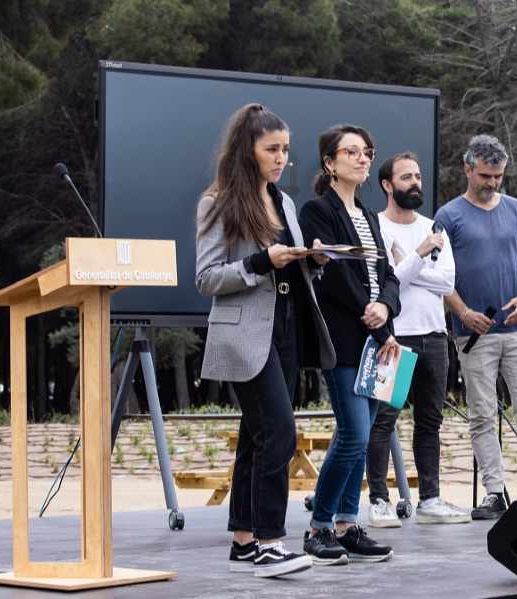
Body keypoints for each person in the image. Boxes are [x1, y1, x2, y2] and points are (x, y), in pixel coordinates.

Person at [195, 104, 336, 578]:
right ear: (246, 150)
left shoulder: (286, 202)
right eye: (271, 149)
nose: (281, 158)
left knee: (257, 438)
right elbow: (206, 278)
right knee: (280, 431)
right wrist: (260, 264)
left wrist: (313, 260)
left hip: (287, 329)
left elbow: (290, 267)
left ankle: (242, 538)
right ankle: (271, 541)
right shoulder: (216, 203)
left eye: (286, 149)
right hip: (244, 336)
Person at [435, 134, 517, 520]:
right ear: (467, 170)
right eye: (485, 175)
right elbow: (436, 277)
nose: (492, 183)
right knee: (483, 414)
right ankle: (495, 492)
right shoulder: (447, 216)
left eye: (498, 176)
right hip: (474, 334)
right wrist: (464, 313)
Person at [299, 124, 401, 564]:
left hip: (379, 338)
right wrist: (376, 320)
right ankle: (319, 527)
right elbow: (337, 278)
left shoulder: (371, 217)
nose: (363, 159)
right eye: (353, 152)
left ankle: (345, 524)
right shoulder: (316, 211)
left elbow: (389, 277)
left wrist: (387, 311)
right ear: (330, 162)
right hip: (346, 338)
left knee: (358, 435)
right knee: (355, 434)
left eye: (368, 152)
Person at [365, 152, 470, 527]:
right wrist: (421, 255)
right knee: (383, 421)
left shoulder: (434, 228)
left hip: (435, 337)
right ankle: (378, 501)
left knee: (430, 421)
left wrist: (406, 264)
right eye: (407, 177)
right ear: (387, 185)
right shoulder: (375, 226)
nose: (416, 183)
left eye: (418, 176)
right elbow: (382, 282)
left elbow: (446, 284)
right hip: (395, 336)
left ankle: (430, 499)